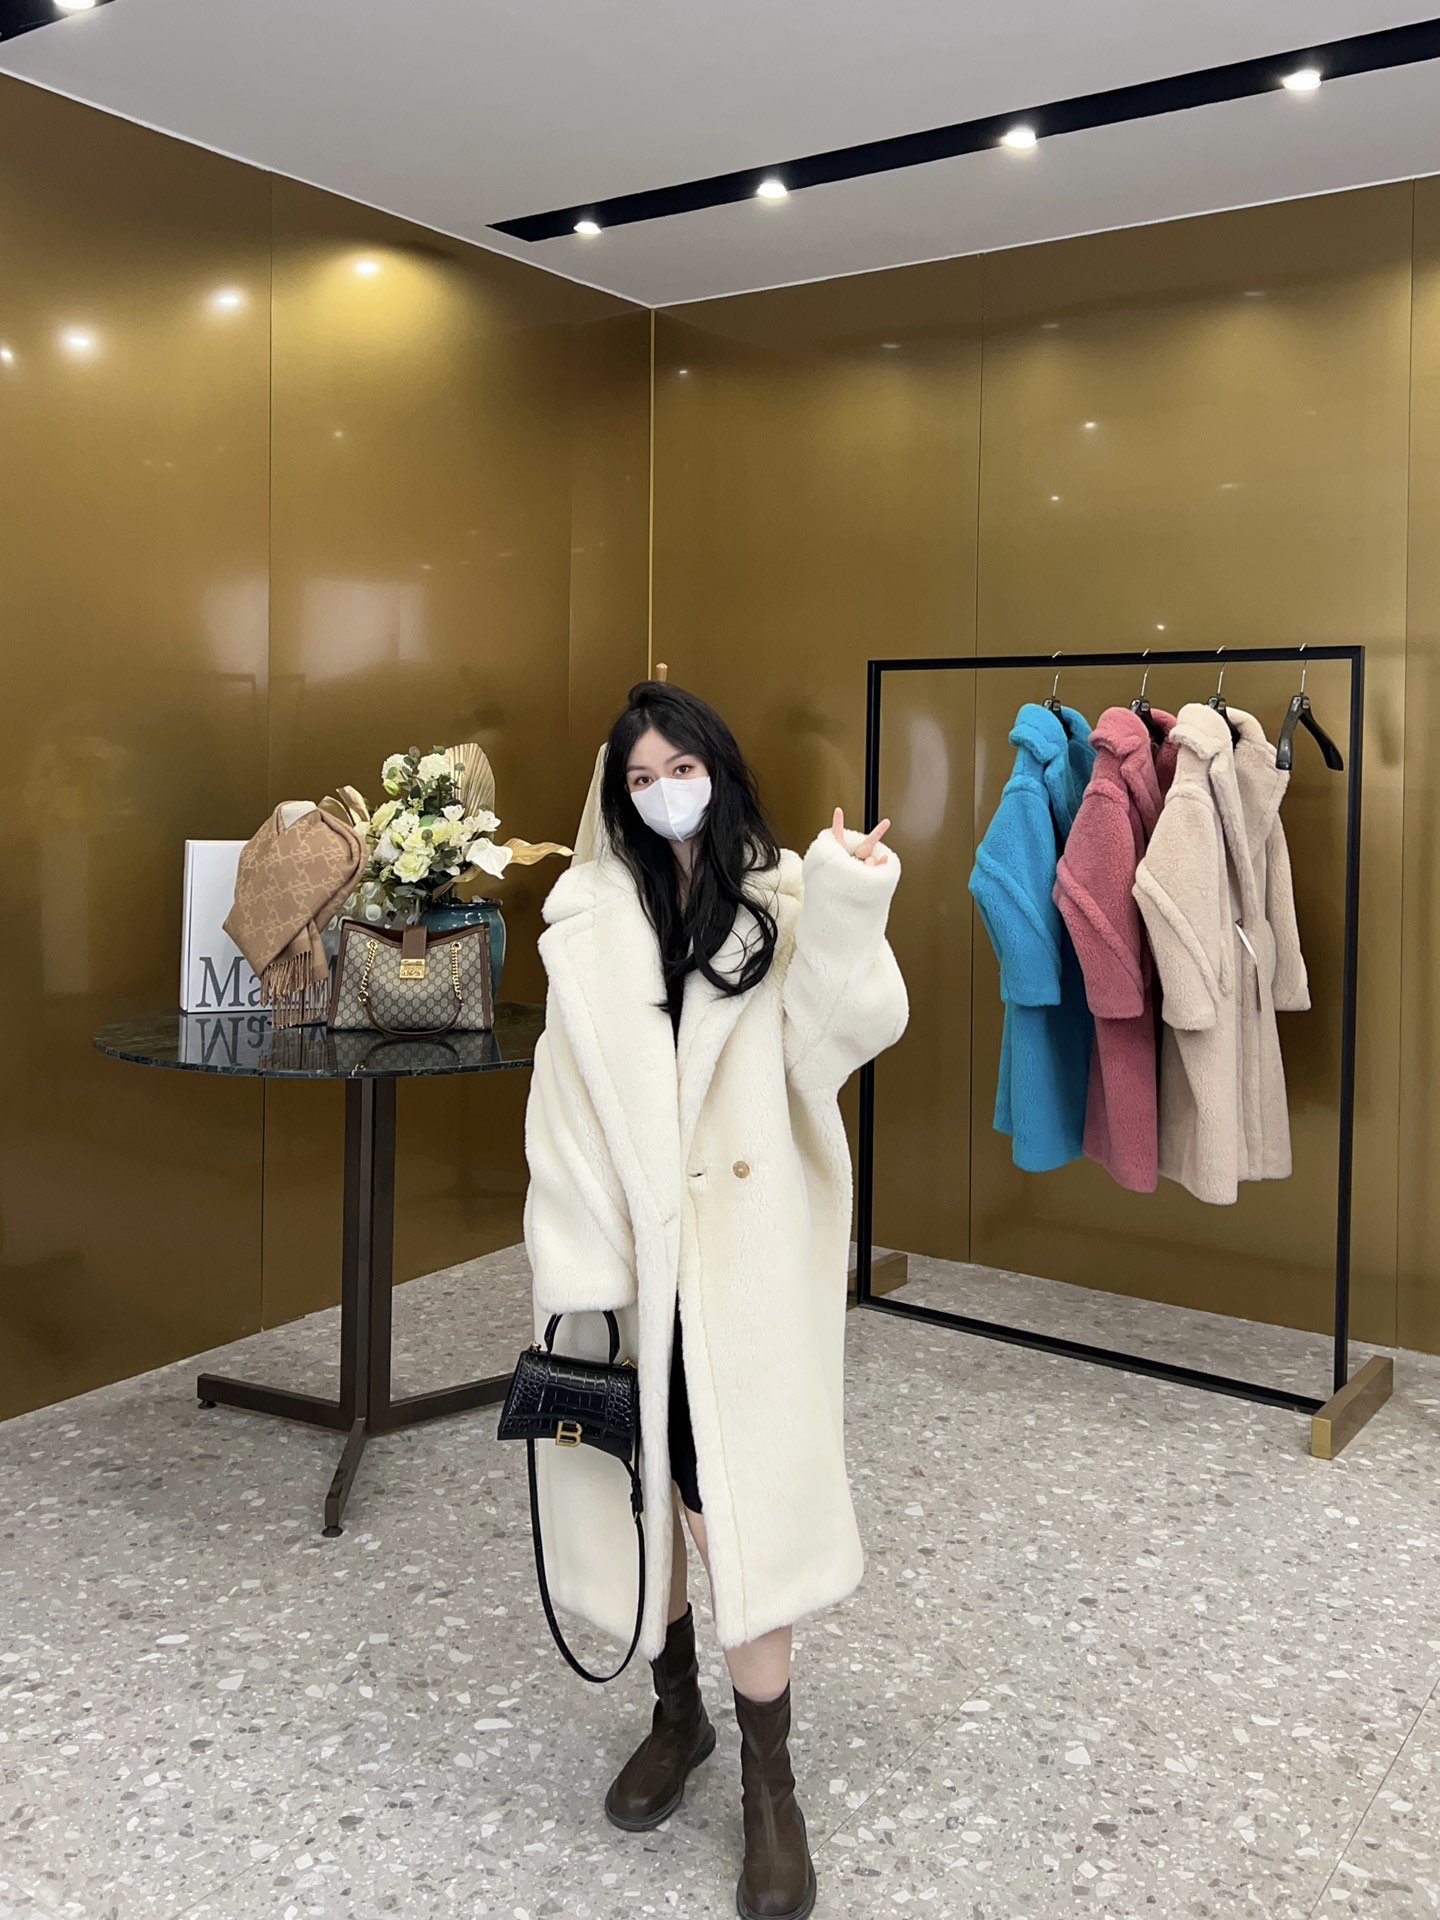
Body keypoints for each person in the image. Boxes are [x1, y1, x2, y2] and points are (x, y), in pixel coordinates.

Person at [522, 680, 908, 1920]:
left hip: (745, 1271)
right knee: (653, 1496)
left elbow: (843, 1037)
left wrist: (849, 902)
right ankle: (676, 1711)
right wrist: (585, 1271)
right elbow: (561, 1113)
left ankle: (770, 1785)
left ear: (719, 772)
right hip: (634, 1280)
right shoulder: (589, 922)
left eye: (679, 769)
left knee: (728, 1517)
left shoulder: (783, 905)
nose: (662, 793)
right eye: (639, 778)